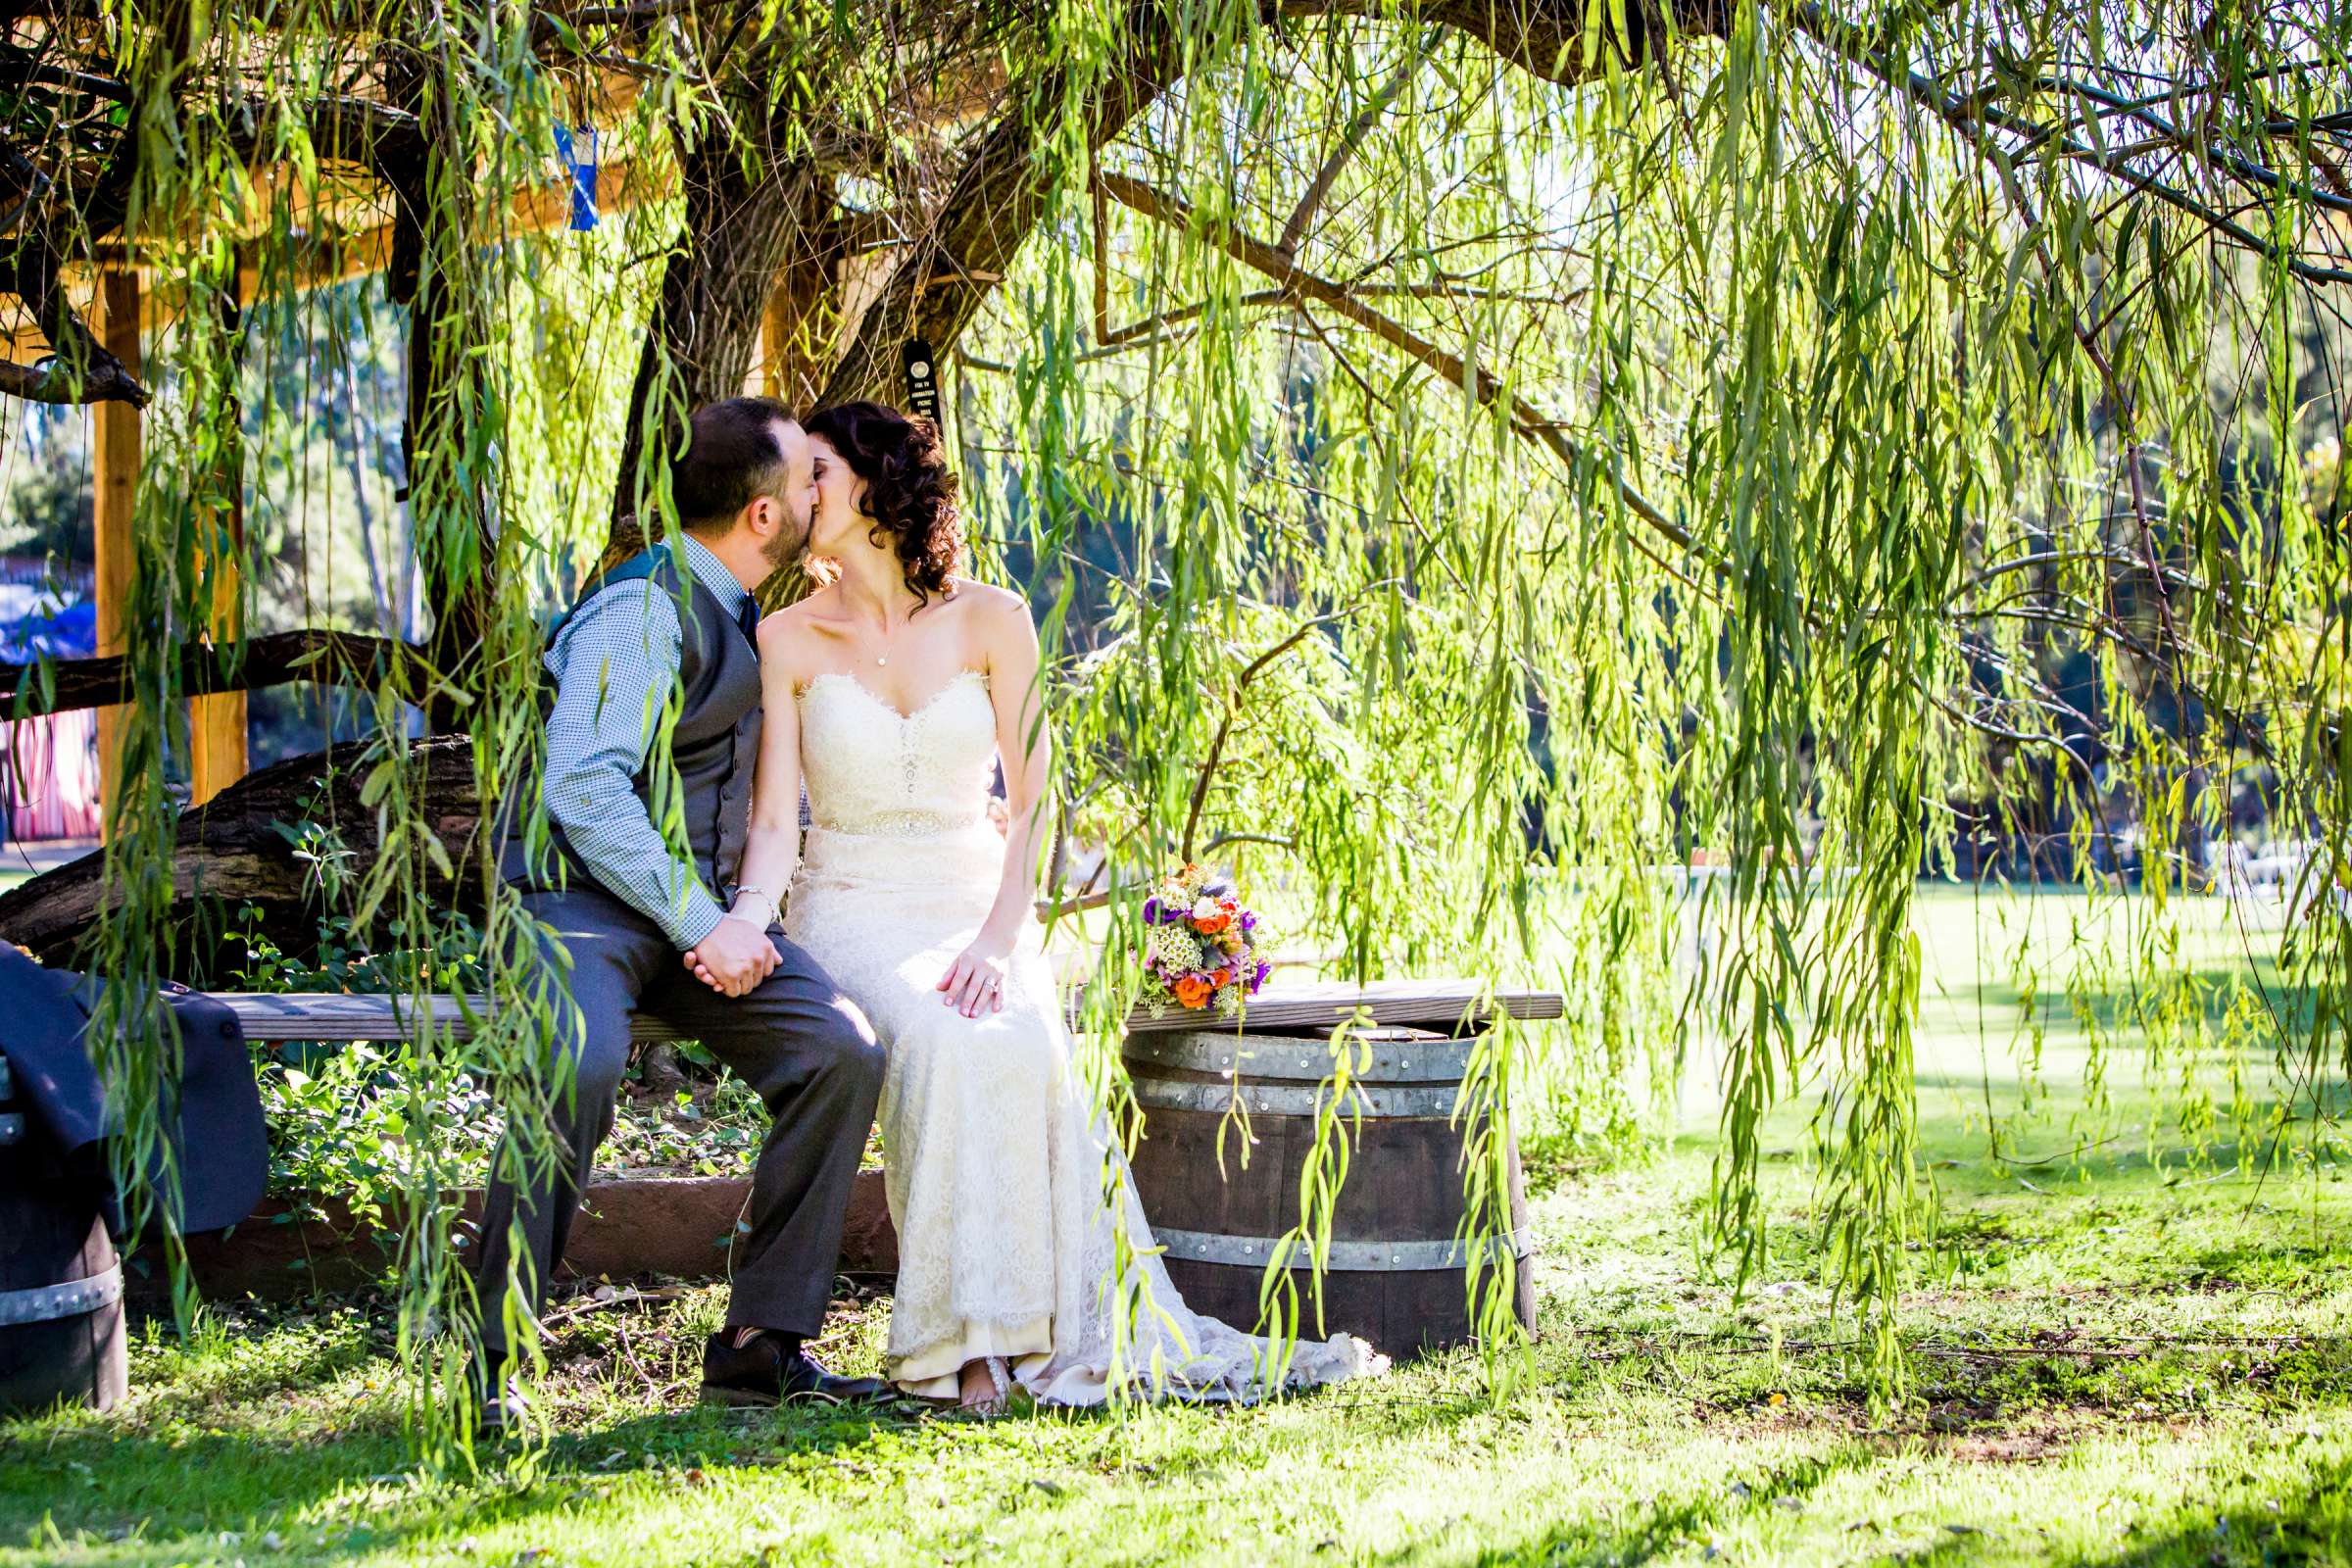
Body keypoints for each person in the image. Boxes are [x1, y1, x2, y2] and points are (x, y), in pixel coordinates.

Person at [688, 400, 1381, 1412]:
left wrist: (1000, 938)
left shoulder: (994, 619)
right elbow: (773, 824)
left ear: (878, 484)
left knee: (1008, 1029)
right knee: (939, 1032)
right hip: (852, 904)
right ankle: (959, 1346)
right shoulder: (785, 633)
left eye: (820, 472)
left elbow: (1036, 805)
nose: (803, 495)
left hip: (977, 902)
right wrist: (752, 912)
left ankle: (1013, 1337)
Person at [480, 397, 889, 1426]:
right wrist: (701, 920)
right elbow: (585, 790)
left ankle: (761, 1344)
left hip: (698, 919)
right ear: (761, 516)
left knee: (841, 1053)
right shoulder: (642, 609)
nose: (819, 491)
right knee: (573, 1060)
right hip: (584, 908)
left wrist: (731, 917)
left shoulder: (753, 611)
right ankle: (487, 1357)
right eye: (807, 477)